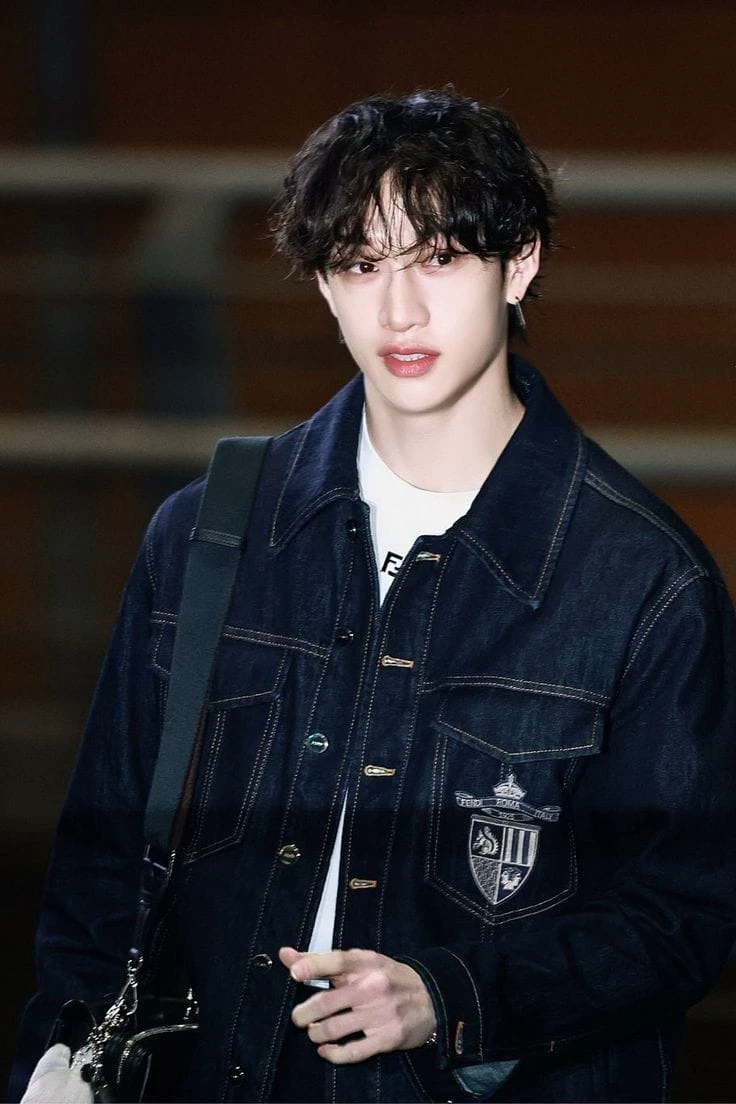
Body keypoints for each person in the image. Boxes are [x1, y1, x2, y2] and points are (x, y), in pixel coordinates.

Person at [9, 87, 736, 1104]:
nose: (399, 312)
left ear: (520, 262)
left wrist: (449, 997)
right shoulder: (209, 536)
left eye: (439, 258)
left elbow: (683, 915)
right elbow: (100, 874)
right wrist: (53, 1063)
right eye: (360, 264)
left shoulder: (642, 581)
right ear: (323, 284)